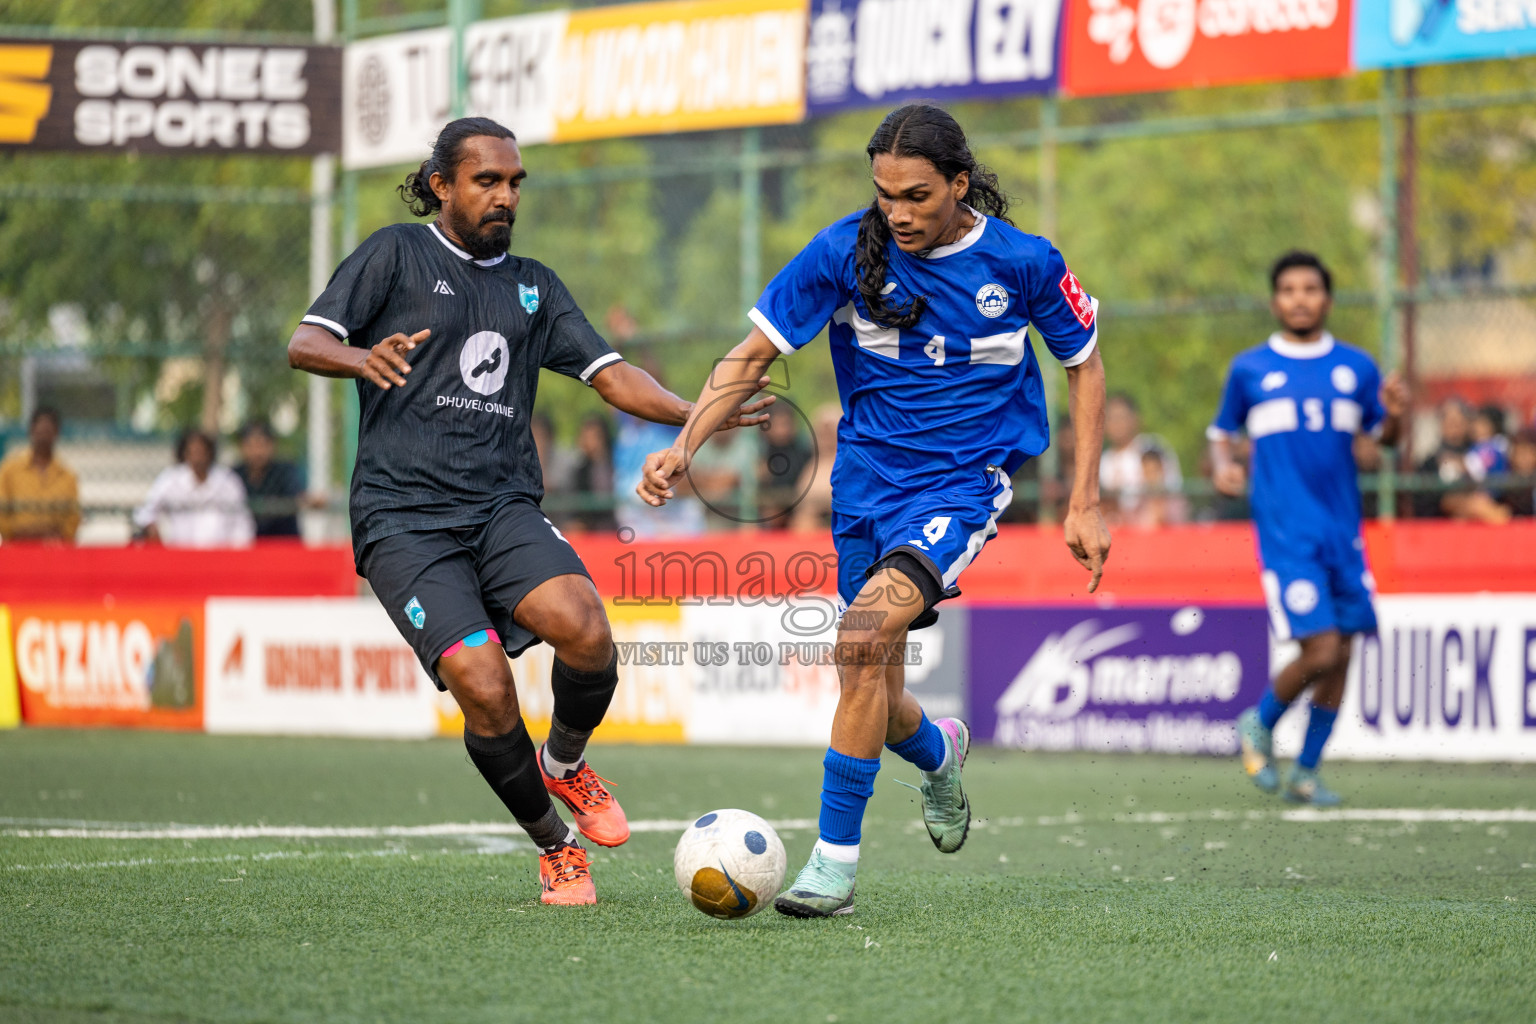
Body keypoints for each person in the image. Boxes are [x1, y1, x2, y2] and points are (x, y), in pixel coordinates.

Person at [637, 104, 1110, 917]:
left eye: (918, 196)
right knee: (873, 684)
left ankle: (833, 864)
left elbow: (1085, 364)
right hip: (863, 487)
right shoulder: (842, 252)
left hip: (961, 486)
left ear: (962, 185)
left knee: (859, 637)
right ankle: (937, 755)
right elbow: (752, 356)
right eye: (885, 193)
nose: (897, 212)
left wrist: (1085, 498)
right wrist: (687, 445)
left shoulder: (1025, 264)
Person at [285, 117, 768, 906]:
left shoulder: (533, 284)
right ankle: (555, 845)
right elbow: (307, 340)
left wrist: (694, 414)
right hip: (402, 517)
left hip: (501, 505)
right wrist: (357, 356)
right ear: (442, 185)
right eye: (487, 181)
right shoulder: (394, 254)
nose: (505, 196)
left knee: (585, 627)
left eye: (514, 183)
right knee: (482, 681)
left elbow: (610, 376)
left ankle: (566, 765)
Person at [1211, 251, 1409, 806]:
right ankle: (1259, 721)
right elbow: (1220, 431)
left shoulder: (1357, 368)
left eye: (1311, 289)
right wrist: (1225, 463)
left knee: (1342, 655)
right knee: (1320, 651)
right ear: (1275, 301)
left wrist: (1395, 413)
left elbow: (1385, 443)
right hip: (1286, 536)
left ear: (1328, 298)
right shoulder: (1250, 369)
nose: (1300, 298)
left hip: (1343, 534)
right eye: (1289, 289)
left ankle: (1307, 771)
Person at [133, 429, 255, 548]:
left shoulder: (227, 481)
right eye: (193, 452)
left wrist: (237, 556)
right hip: (180, 554)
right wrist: (152, 528)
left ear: (210, 453)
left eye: (201, 452)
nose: (198, 457)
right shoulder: (171, 480)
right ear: (184, 454)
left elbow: (242, 523)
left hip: (221, 554)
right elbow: (145, 513)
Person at [0, 406, 80, 544]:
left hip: (54, 549)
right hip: (17, 548)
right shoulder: (10, 471)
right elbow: (2, 512)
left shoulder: (67, 476)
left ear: (56, 433)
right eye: (40, 431)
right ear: (31, 430)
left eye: (48, 431)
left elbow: (72, 519)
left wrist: (55, 537)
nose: (43, 436)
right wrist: (17, 534)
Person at [234, 420, 304, 538]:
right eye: (251, 445)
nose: (257, 452)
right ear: (242, 447)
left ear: (272, 445)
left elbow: (300, 496)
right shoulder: (234, 476)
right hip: (245, 544)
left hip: (282, 542)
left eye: (261, 445)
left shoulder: (286, 471)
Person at [569, 414, 618, 532]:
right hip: (591, 528)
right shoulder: (580, 470)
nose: (587, 441)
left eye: (592, 436)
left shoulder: (617, 463)